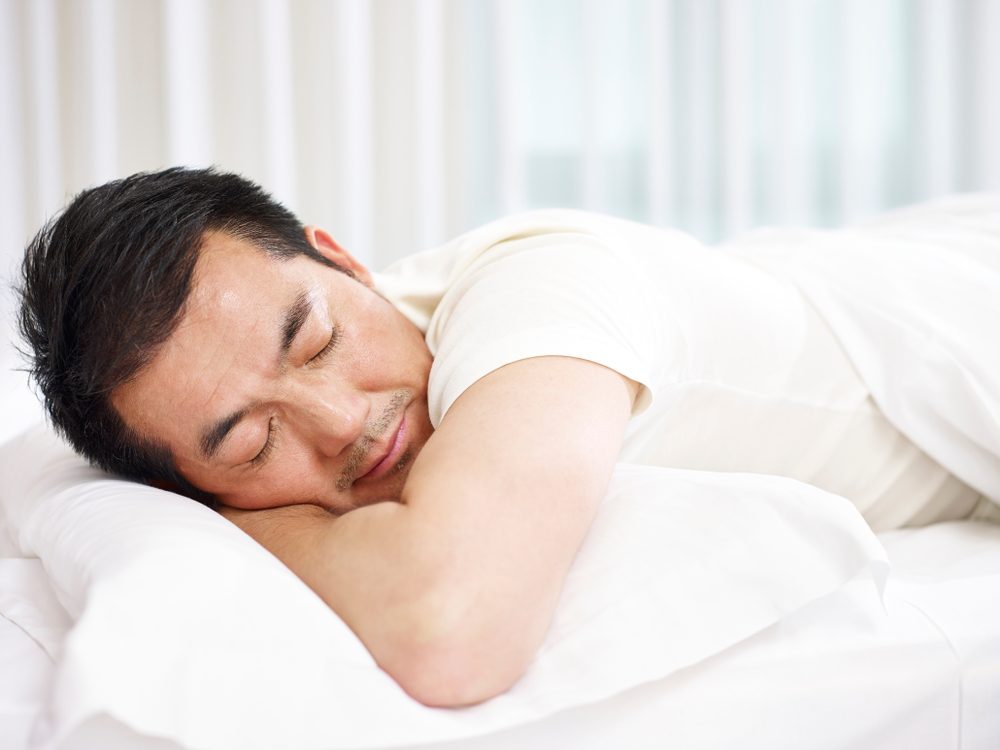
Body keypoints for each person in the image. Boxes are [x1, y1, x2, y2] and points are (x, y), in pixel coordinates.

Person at [17, 167, 995, 707]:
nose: (344, 426)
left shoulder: (546, 291)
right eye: (249, 446)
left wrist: (250, 511)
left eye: (314, 341)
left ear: (346, 261)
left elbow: (450, 633)